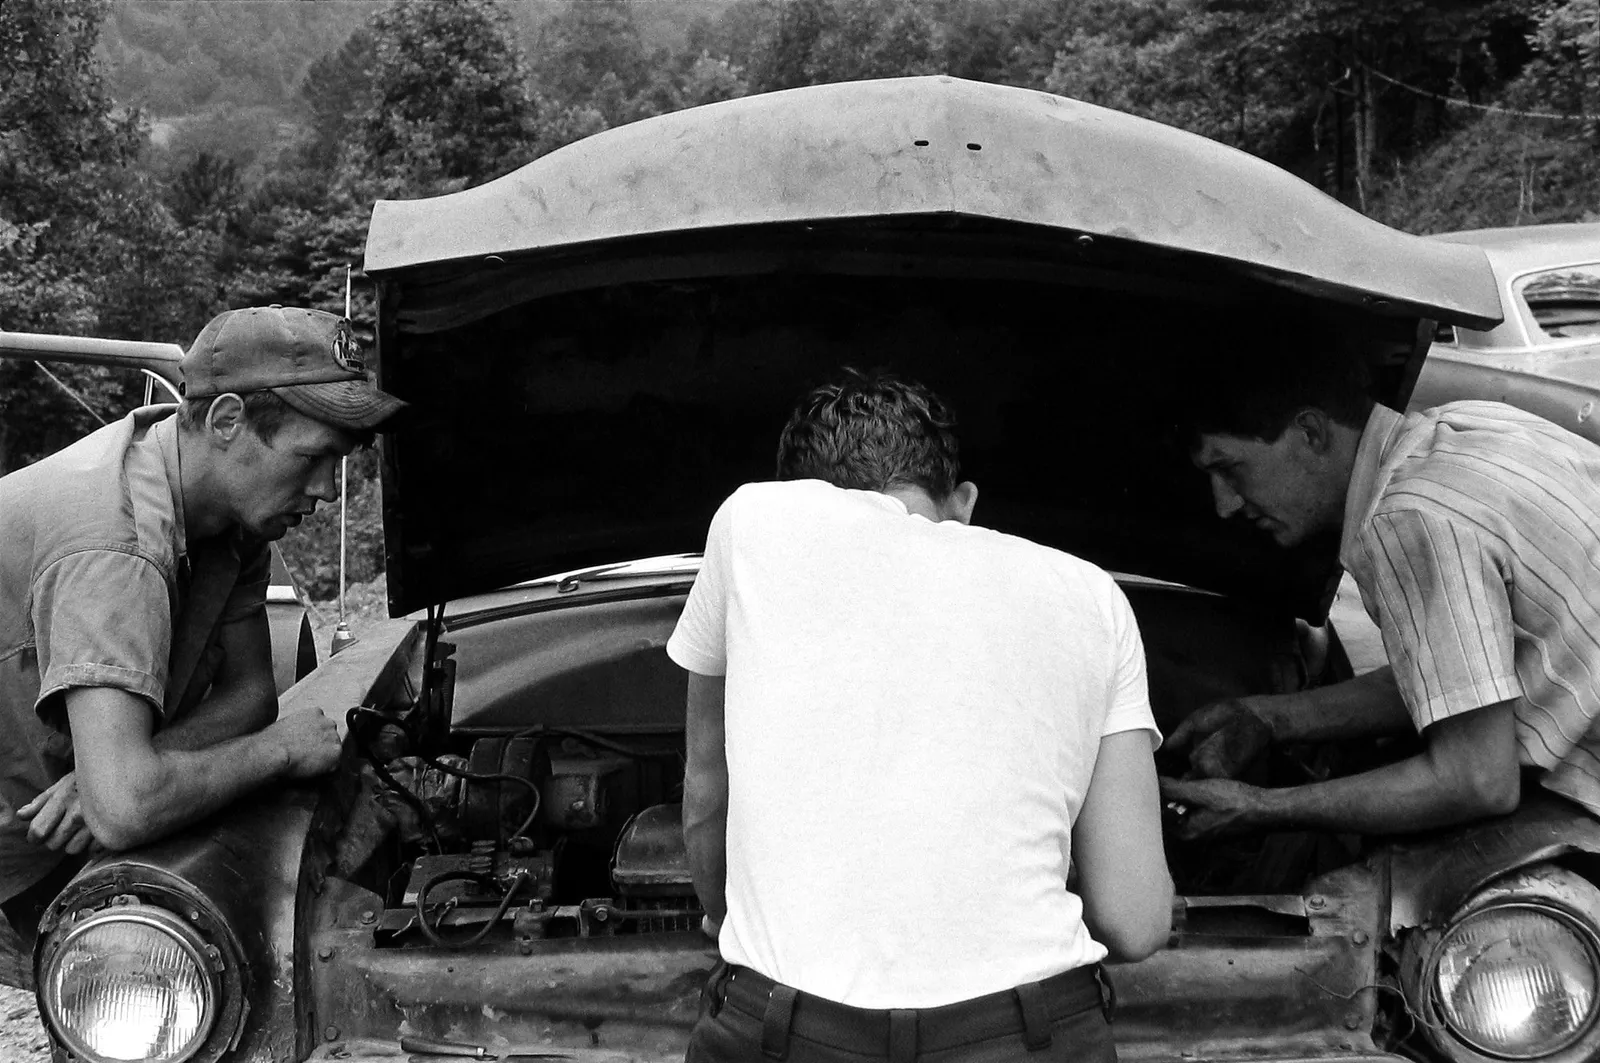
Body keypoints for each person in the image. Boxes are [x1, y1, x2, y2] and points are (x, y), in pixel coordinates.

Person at [667, 369, 1171, 1063]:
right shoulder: (1090, 594)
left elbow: (706, 789)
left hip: (790, 1032)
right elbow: (1136, 919)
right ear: (962, 501)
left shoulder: (754, 521)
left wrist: (735, 926)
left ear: (799, 490)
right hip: (1028, 1035)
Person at [0, 305, 407, 988]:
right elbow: (128, 807)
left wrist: (121, 770)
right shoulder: (114, 542)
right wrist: (278, 752)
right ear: (224, 421)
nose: (326, 493)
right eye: (313, 459)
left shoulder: (231, 519)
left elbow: (250, 696)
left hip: (41, 829)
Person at [1160, 336, 1600, 842]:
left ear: (1309, 432)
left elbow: (1478, 780)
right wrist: (1268, 717)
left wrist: (1260, 807)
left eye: (1230, 468)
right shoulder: (1468, 427)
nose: (1225, 506)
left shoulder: (1409, 518)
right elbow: (1463, 677)